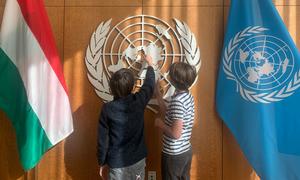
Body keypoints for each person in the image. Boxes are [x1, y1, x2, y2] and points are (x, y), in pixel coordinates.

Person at [97, 54, 155, 180]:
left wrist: (102, 161)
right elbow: (149, 85)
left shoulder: (107, 109)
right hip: (138, 159)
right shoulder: (138, 101)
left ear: (112, 88)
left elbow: (103, 140)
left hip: (117, 164)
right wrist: (150, 65)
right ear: (132, 87)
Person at [155, 62, 197, 180]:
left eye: (170, 74)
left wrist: (160, 124)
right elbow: (169, 113)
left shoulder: (178, 101)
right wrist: (158, 94)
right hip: (184, 151)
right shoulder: (186, 96)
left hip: (174, 154)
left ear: (174, 80)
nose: (167, 75)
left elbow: (175, 134)